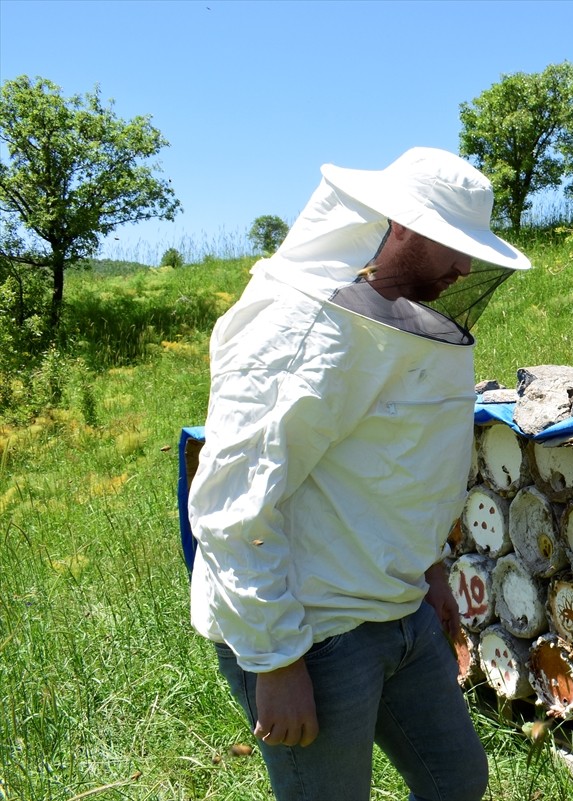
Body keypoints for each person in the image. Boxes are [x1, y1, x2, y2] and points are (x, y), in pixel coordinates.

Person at [187, 147, 531, 801]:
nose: (464, 267)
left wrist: (430, 570)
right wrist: (277, 660)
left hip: (400, 611)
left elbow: (402, 468)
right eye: (453, 245)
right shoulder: (299, 326)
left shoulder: (400, 320)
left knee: (456, 779)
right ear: (401, 225)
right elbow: (235, 501)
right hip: (312, 629)